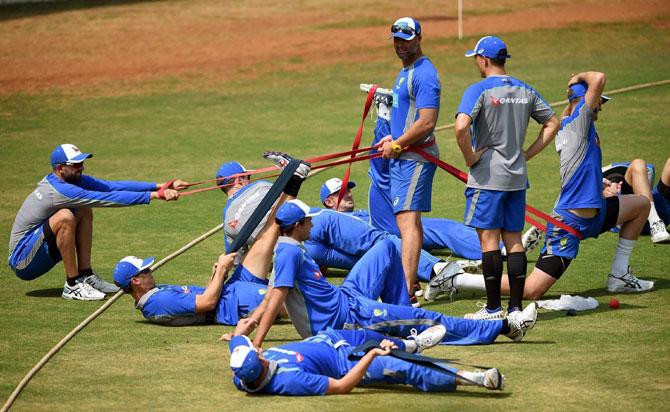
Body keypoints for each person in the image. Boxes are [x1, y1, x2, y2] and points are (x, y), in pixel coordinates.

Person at [427, 72, 655, 302]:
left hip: (595, 212)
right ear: (582, 102)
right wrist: (576, 78)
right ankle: (456, 279)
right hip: (569, 223)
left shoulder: (573, 124)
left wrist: (599, 183)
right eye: (598, 102)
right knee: (532, 290)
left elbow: (581, 161)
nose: (601, 108)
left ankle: (619, 275)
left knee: (641, 205)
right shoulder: (578, 122)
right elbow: (599, 77)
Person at [233, 199, 538, 349]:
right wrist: (258, 343)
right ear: (297, 226)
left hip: (346, 298)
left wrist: (248, 325)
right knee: (428, 321)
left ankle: (402, 310)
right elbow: (277, 298)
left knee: (390, 244)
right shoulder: (288, 251)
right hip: (345, 317)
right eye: (308, 222)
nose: (312, 224)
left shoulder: (287, 247)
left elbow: (273, 293)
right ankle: (504, 328)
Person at [114, 154, 311, 325]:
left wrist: (217, 275)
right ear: (136, 281)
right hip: (232, 304)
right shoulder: (157, 303)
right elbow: (208, 303)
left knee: (269, 231)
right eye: (145, 270)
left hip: (230, 289)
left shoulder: (156, 294)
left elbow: (204, 294)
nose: (150, 271)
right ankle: (338, 309)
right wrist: (222, 271)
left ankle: (296, 176)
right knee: (294, 302)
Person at [453, 36, 559, 320]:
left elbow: (461, 127)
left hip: (487, 179)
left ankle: (492, 309)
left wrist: (471, 158)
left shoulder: (478, 89)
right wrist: (527, 155)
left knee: (489, 241)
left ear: (484, 60)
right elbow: (553, 122)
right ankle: (514, 308)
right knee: (513, 240)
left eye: (476, 58)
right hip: (516, 178)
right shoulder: (525, 90)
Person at [8, 143, 185, 301]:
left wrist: (160, 186)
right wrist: (155, 196)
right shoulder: (60, 191)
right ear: (60, 168)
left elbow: (111, 186)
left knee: (83, 209)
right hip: (23, 262)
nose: (82, 167)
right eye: (76, 164)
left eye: (82, 163)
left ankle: (86, 276)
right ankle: (72, 285)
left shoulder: (72, 180)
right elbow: (109, 197)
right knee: (65, 217)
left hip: (40, 248)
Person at [228, 327, 506, 396]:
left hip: (329, 338)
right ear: (261, 366)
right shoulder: (290, 381)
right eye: (259, 353)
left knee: (376, 332)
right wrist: (371, 355)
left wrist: (237, 333)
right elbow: (341, 386)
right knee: (401, 367)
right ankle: (473, 378)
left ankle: (411, 343)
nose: (261, 350)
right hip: (346, 362)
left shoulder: (242, 371)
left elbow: (239, 342)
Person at [377, 17, 441, 304]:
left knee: (407, 221)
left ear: (419, 38)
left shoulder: (424, 74)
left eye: (405, 38)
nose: (400, 44)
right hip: (405, 154)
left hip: (415, 157)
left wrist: (399, 143)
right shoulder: (406, 71)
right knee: (408, 221)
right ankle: (407, 287)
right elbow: (408, 117)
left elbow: (427, 122)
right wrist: (392, 140)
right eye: (396, 38)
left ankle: (405, 291)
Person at [319, 177, 486, 260]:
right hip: (389, 234)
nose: (348, 194)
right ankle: (491, 249)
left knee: (445, 225)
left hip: (396, 225)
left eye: (348, 190)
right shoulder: (332, 223)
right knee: (444, 230)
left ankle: (491, 246)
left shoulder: (361, 212)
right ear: (328, 202)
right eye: (341, 192)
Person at [601, 159, 670, 243]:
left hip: (654, 207)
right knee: (637, 163)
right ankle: (655, 224)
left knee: (638, 163)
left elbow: (649, 169)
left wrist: (614, 180)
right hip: (628, 219)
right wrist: (603, 191)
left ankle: (655, 222)